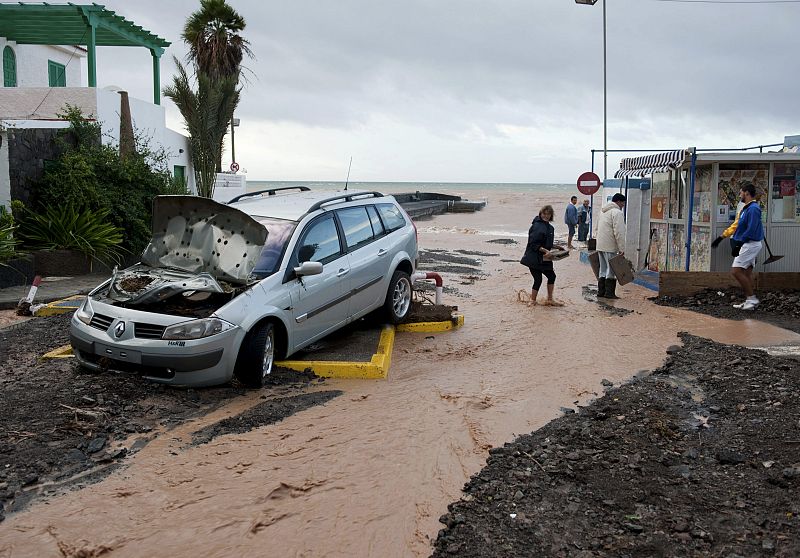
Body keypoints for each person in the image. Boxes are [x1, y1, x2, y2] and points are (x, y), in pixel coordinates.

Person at [720, 183, 763, 310]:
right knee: (746, 273)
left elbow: (751, 229)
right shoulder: (747, 208)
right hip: (749, 243)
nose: (739, 195)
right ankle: (749, 301)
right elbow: (740, 225)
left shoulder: (753, 209)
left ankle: (752, 299)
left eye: (741, 193)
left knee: (736, 271)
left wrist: (740, 243)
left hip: (749, 244)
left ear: (747, 193)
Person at [520, 205, 564, 307]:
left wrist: (557, 247)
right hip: (534, 258)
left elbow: (547, 243)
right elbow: (533, 244)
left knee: (552, 276)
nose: (546, 216)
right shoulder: (536, 226)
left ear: (551, 215)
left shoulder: (550, 228)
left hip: (545, 258)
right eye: (544, 213)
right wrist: (545, 251)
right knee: (538, 279)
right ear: (541, 214)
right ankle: (532, 301)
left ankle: (550, 300)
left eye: (549, 214)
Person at [595, 193, 626, 299]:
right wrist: (622, 248)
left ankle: (601, 292)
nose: (623, 206)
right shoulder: (617, 212)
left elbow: (596, 227)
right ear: (618, 202)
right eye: (623, 203)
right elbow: (619, 232)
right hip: (610, 245)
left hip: (600, 245)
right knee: (611, 269)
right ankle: (609, 293)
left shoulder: (602, 211)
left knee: (602, 269)